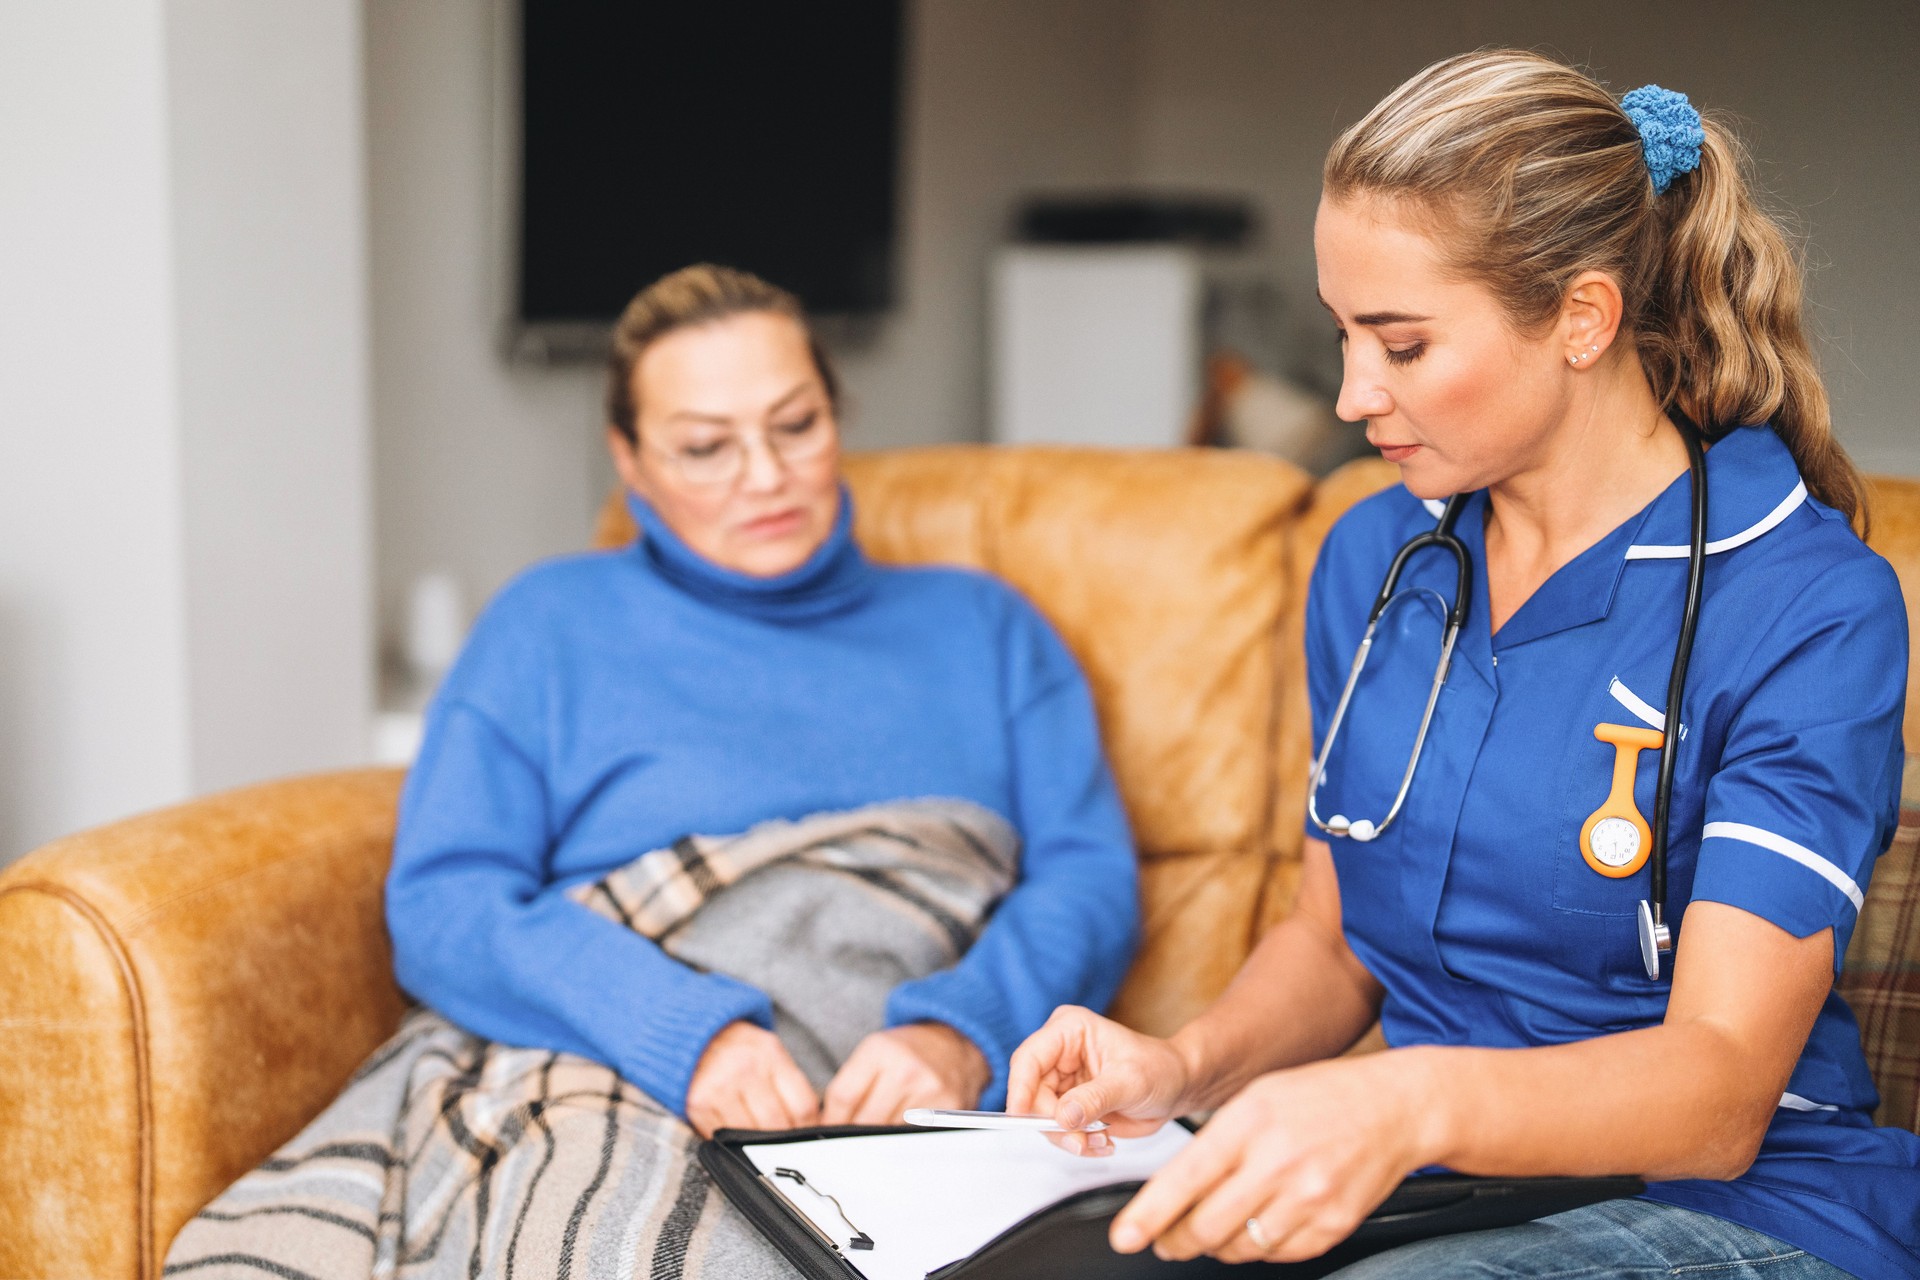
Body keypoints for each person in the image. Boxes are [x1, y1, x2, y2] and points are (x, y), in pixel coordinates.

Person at [1008, 51, 1918, 1280]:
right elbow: (1336, 943)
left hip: (1746, 1205)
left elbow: (1718, 1089)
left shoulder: (1807, 602)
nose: (1347, 393)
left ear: (1582, 320)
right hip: (1439, 1194)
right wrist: (1187, 1064)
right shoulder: (1378, 557)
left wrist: (1405, 1101)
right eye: (1343, 336)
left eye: (1403, 344)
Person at [164, 264, 1138, 1279]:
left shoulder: (986, 628)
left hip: (888, 1089)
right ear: (629, 461)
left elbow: (1091, 878)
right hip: (605, 1050)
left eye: (795, 424)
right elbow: (446, 899)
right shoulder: (547, 623)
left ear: (837, 415)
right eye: (705, 447)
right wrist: (684, 1031)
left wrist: (960, 1030)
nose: (763, 475)